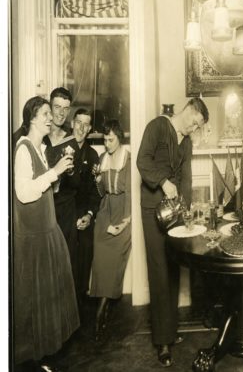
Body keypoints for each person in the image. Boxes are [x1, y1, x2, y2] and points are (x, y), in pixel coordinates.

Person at [137, 97, 209, 367]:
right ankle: (162, 342)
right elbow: (142, 162)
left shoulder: (186, 141)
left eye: (199, 126)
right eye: (195, 121)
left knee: (173, 266)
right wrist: (164, 182)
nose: (195, 127)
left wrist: (187, 211)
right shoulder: (157, 126)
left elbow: (187, 177)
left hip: (175, 211)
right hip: (152, 209)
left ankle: (170, 330)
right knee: (158, 271)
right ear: (189, 109)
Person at [13, 96, 80, 370]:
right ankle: (31, 360)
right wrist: (54, 171)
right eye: (44, 114)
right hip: (33, 237)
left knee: (47, 299)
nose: (50, 118)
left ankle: (43, 356)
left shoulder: (39, 148)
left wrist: (58, 174)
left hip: (47, 230)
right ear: (31, 118)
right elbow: (24, 193)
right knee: (33, 301)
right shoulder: (22, 149)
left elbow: (44, 190)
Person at [89, 120, 131, 340]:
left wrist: (124, 223)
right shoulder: (103, 159)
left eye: (111, 139)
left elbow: (131, 193)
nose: (107, 143)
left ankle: (100, 313)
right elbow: (100, 193)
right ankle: (102, 308)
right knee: (100, 261)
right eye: (104, 139)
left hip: (122, 211)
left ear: (119, 138)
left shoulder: (127, 158)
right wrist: (97, 179)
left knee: (114, 262)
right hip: (106, 211)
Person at [44, 88, 83, 285]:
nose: (61, 113)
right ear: (50, 107)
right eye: (57, 107)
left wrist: (70, 172)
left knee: (68, 262)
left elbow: (77, 183)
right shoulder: (39, 135)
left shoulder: (70, 140)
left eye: (66, 109)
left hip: (66, 209)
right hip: (44, 207)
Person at [72, 108, 101, 309]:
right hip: (64, 216)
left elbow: (94, 193)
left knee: (85, 256)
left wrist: (89, 215)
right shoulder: (60, 148)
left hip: (85, 215)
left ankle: (81, 307)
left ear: (90, 128)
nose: (82, 128)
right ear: (72, 123)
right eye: (79, 122)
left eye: (86, 124)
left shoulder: (92, 156)